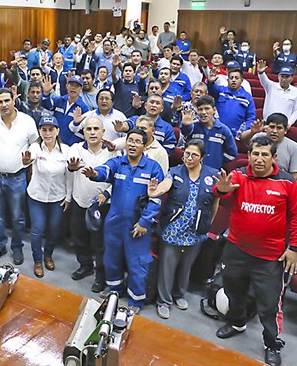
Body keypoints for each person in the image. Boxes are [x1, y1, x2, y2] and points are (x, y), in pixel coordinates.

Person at [213, 135, 297, 366]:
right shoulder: (239, 175)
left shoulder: (286, 182)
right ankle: (237, 323)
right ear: (249, 155)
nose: (259, 159)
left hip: (270, 257)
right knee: (234, 292)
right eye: (255, 153)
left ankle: (272, 343)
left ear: (274, 157)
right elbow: (222, 191)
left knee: (269, 305)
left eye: (265, 154)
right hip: (236, 250)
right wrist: (221, 190)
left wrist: (295, 248)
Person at [82, 128, 164, 311]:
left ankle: (136, 300)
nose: (132, 145)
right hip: (114, 221)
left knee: (137, 262)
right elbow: (105, 170)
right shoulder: (118, 162)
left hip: (137, 225)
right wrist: (94, 174)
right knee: (112, 258)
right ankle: (115, 290)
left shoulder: (153, 168)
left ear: (144, 146)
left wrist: (144, 222)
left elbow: (156, 199)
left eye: (137, 142)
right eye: (130, 141)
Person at [147, 140, 219, 319]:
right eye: (186, 153)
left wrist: (208, 223)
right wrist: (156, 191)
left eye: (194, 155)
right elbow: (165, 185)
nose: (189, 158)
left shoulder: (212, 175)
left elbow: (215, 201)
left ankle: (179, 294)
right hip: (173, 228)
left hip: (196, 230)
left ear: (202, 157)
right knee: (167, 267)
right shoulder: (175, 172)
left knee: (186, 267)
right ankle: (164, 301)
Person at [0, 88, 38, 265]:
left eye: (7, 101)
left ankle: (17, 247)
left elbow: (35, 142)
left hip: (17, 177)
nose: (4, 105)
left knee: (17, 217)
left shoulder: (27, 121)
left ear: (14, 100)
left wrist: (31, 156)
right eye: (0, 102)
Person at [67, 116, 117, 292]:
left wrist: (106, 193)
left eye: (96, 129)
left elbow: (118, 179)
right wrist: (72, 167)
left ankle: (100, 275)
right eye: (88, 129)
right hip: (80, 202)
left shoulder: (112, 152)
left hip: (103, 206)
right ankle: (85, 265)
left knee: (100, 243)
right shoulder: (75, 148)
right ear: (84, 132)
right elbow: (70, 164)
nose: (92, 132)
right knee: (79, 237)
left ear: (103, 132)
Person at [22, 115, 72, 278]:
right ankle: (37, 260)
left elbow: (69, 175)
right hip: (37, 196)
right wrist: (26, 161)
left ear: (57, 131)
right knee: (37, 229)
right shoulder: (35, 148)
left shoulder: (66, 150)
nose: (48, 133)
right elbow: (28, 159)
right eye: (44, 130)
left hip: (57, 197)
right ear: (40, 132)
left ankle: (48, 255)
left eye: (51, 130)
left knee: (54, 229)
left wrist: (68, 197)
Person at [180, 95, 237, 170]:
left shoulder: (224, 130)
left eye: (207, 108)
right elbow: (185, 133)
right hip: (192, 170)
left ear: (214, 110)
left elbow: (232, 153)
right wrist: (185, 125)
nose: (203, 112)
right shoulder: (193, 126)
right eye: (200, 109)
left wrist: (218, 159)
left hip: (213, 171)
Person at [242, 113, 297, 181]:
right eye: (272, 127)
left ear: (285, 130)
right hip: (253, 180)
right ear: (266, 128)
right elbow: (243, 139)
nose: (274, 131)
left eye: (279, 128)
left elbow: (295, 176)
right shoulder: (258, 138)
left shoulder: (294, 147)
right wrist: (252, 132)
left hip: (279, 182)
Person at [41, 75, 89, 145]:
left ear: (81, 89)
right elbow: (47, 105)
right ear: (67, 86)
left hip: (71, 146)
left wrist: (70, 145)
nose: (73, 88)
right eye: (71, 84)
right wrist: (46, 93)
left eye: (77, 86)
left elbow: (82, 131)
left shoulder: (83, 108)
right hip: (54, 143)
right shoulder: (59, 100)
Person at [207, 67, 256, 137]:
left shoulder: (248, 98)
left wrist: (244, 130)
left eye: (236, 78)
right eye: (231, 78)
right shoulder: (220, 91)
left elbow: (251, 117)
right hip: (216, 131)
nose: (233, 80)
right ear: (227, 80)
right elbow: (212, 90)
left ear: (242, 80)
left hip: (235, 135)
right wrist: (210, 83)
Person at [257, 61, 297, 126]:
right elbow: (263, 79)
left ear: (292, 78)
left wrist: (289, 123)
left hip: (283, 125)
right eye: (282, 76)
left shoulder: (296, 91)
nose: (284, 79)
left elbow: (296, 110)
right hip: (268, 123)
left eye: (287, 77)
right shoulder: (271, 86)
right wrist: (261, 72)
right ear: (278, 76)